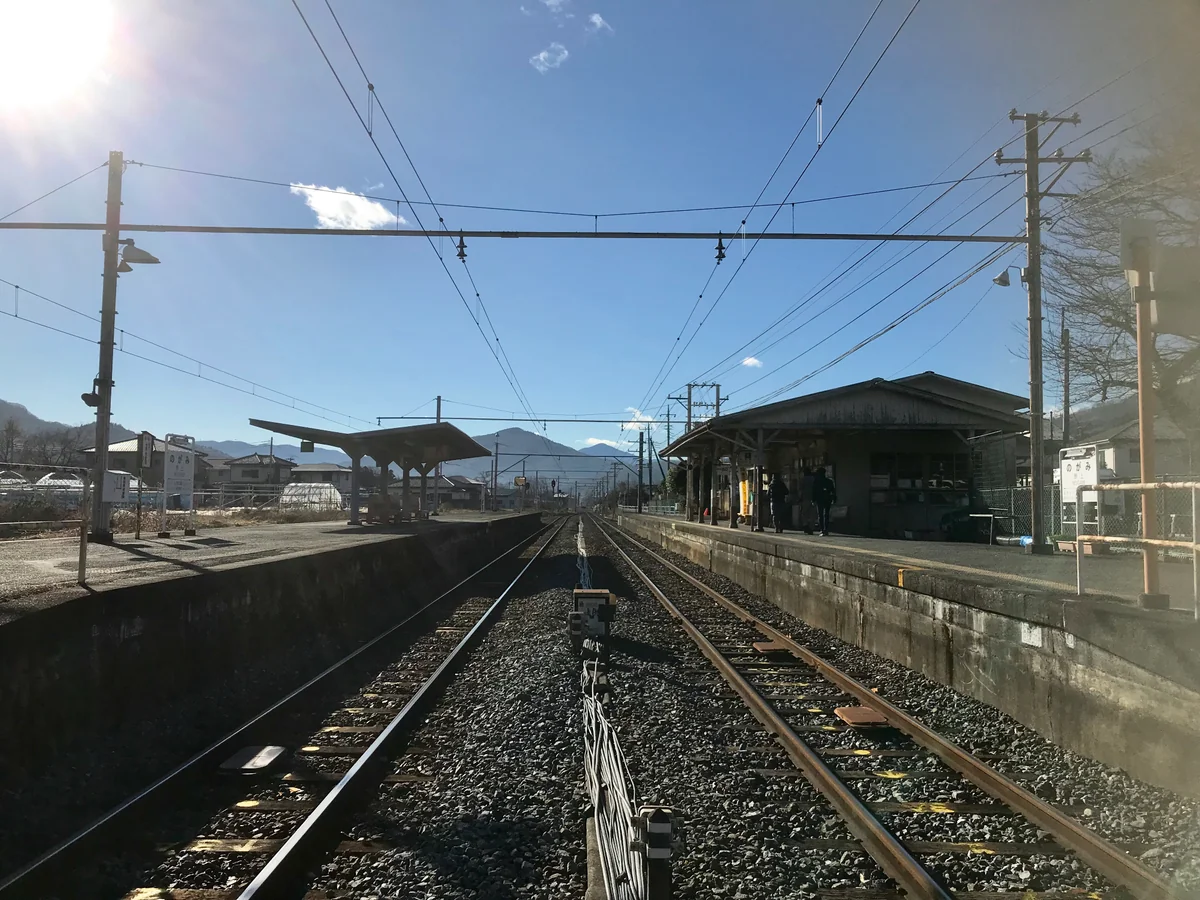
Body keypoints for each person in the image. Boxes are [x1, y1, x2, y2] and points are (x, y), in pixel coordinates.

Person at [812, 467, 837, 536]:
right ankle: (826, 529)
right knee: (826, 514)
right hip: (827, 499)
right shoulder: (829, 481)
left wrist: (813, 500)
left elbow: (814, 491)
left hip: (819, 499)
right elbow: (833, 491)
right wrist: (834, 498)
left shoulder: (816, 481)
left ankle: (822, 529)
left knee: (820, 515)